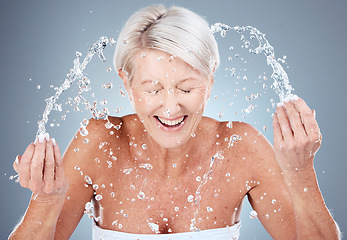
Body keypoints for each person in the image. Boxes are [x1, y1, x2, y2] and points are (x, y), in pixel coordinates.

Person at [9, 4, 341, 240]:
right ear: (126, 83)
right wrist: (46, 200)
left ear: (210, 81)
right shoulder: (99, 142)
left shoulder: (241, 147)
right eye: (152, 88)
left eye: (186, 87)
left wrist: (300, 172)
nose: (170, 107)